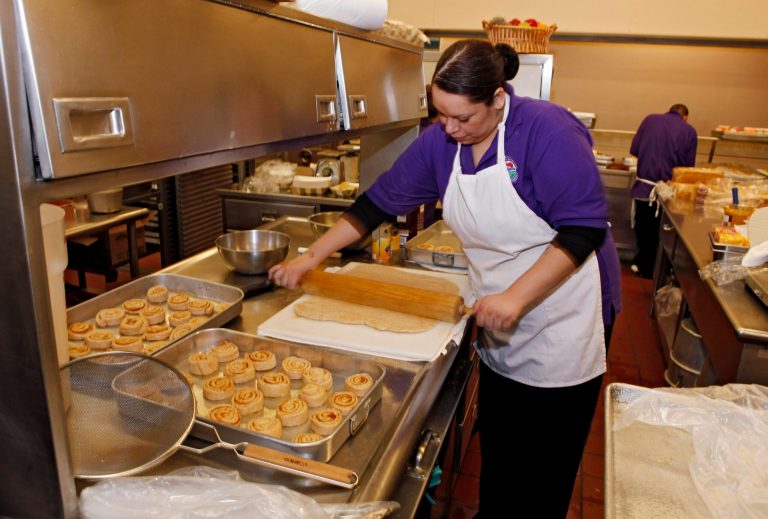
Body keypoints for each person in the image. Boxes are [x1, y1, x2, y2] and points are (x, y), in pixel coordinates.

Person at [269, 39, 620, 518]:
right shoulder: (442, 142)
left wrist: (517, 297)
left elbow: (584, 229)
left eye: (463, 118)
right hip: (496, 308)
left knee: (543, 463)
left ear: (498, 98)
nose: (450, 128)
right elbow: (376, 203)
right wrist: (311, 257)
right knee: (501, 445)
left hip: (563, 312)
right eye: (440, 115)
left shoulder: (546, 130)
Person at [629, 104, 697, 278]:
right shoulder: (690, 131)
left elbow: (634, 149)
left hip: (644, 188)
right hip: (668, 192)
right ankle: (656, 270)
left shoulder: (650, 119)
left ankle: (642, 265)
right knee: (662, 233)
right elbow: (687, 168)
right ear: (685, 117)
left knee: (643, 228)